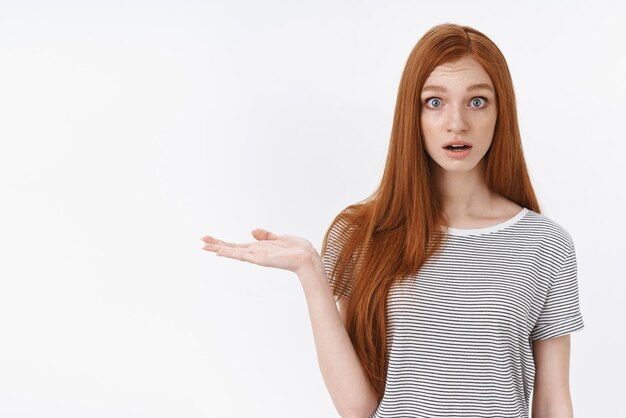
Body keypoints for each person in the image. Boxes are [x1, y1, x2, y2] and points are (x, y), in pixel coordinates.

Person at [201, 23, 584, 418]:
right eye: (435, 102)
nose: (457, 123)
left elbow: (554, 401)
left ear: (501, 111)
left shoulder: (545, 244)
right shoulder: (361, 234)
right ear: (412, 114)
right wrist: (310, 271)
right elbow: (358, 407)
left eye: (477, 101)